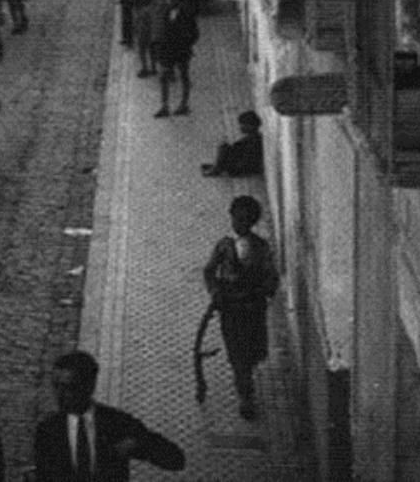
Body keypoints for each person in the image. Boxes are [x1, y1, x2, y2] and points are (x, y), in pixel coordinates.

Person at [33, 350, 185, 481]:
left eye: (69, 387)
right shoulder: (47, 430)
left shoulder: (116, 422)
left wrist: (138, 443)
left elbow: (176, 459)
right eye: (56, 386)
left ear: (89, 386)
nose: (59, 395)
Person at [202, 195, 280, 420]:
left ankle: (245, 382)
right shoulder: (224, 246)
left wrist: (264, 292)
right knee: (238, 354)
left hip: (253, 309)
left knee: (251, 352)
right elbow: (209, 271)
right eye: (237, 219)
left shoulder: (261, 247)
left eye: (245, 221)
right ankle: (245, 393)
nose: (239, 224)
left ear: (252, 222)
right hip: (231, 309)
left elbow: (271, 277)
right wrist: (215, 292)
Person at [150, 0, 199, 117]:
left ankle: (184, 104)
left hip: (181, 50)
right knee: (163, 77)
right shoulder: (166, 10)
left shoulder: (186, 13)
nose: (168, 0)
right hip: (167, 49)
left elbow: (195, 33)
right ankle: (164, 105)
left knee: (184, 76)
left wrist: (186, 44)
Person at [201, 111, 265, 177]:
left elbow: (246, 158)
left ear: (250, 126)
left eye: (242, 125)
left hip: (244, 168)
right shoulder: (253, 137)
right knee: (224, 147)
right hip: (242, 164)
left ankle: (217, 169)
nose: (240, 127)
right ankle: (217, 167)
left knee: (224, 148)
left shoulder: (254, 140)